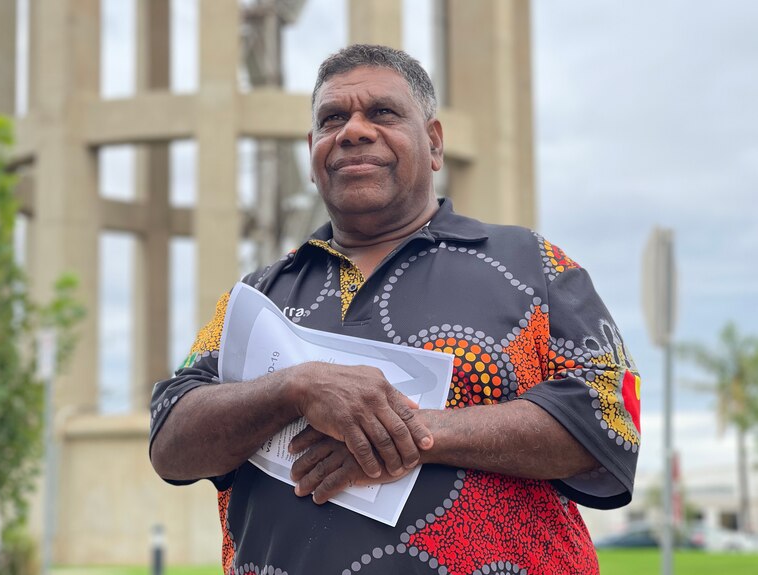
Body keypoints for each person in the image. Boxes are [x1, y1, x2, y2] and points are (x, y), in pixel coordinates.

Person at [149, 44, 640, 575]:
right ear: (313, 152)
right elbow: (171, 439)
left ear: (433, 142)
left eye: (382, 112)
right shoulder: (257, 296)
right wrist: (299, 387)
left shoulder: (531, 266)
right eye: (333, 118)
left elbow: (608, 420)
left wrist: (406, 433)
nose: (354, 131)